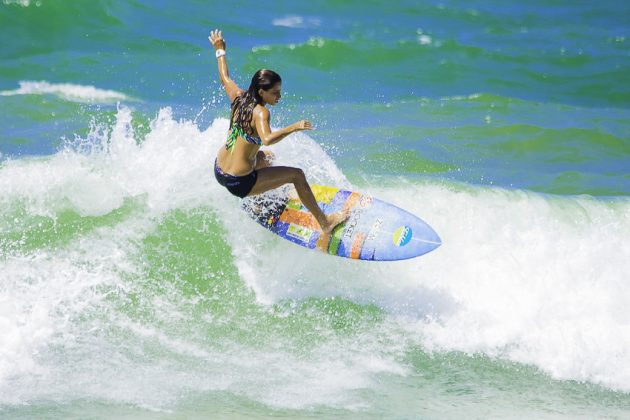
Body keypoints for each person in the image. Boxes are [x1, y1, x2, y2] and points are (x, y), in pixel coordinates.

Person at [209, 29, 348, 234]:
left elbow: (224, 78)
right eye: (275, 93)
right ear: (261, 91)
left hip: (220, 171)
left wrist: (220, 50)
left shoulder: (239, 97)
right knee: (297, 175)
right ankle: (325, 223)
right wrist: (294, 127)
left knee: (267, 158)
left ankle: (259, 200)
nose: (279, 96)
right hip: (240, 183)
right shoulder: (261, 113)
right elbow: (267, 138)